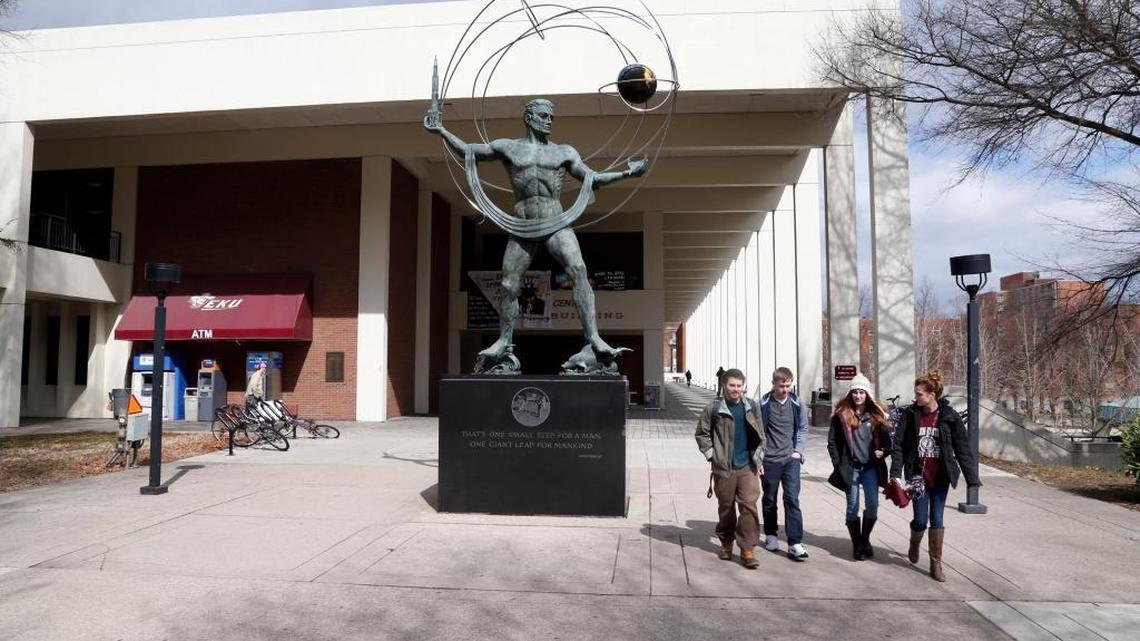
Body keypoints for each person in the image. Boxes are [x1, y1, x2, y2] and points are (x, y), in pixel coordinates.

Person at [425, 98, 646, 371]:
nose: (549, 120)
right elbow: (470, 152)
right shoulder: (508, 147)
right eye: (544, 115)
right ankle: (504, 340)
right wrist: (442, 132)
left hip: (556, 221)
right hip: (522, 225)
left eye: (552, 116)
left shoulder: (564, 152)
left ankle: (594, 338)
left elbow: (593, 178)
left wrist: (627, 173)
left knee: (578, 268)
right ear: (529, 118)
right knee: (508, 284)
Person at [890, 369, 982, 582]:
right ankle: (914, 541)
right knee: (921, 520)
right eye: (916, 393)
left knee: (937, 518)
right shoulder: (910, 414)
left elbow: (962, 448)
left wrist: (972, 478)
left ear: (932, 394)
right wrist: (895, 474)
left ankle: (935, 563)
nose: (916, 397)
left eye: (920, 393)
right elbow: (899, 447)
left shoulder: (949, 416)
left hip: (941, 477)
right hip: (918, 478)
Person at [695, 368, 766, 569]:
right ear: (724, 386)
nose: (736, 389)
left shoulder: (752, 406)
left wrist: (758, 459)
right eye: (732, 385)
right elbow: (701, 434)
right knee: (726, 507)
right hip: (724, 468)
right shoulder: (714, 408)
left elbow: (761, 434)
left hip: (747, 467)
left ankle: (747, 549)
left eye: (739, 386)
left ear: (743, 387)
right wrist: (712, 456)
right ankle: (726, 542)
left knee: (749, 507)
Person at [827, 374, 892, 561]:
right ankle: (856, 544)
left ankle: (865, 539)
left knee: (872, 506)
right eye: (855, 392)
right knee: (852, 506)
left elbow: (889, 442)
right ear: (850, 394)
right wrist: (838, 464)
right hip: (851, 468)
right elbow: (832, 443)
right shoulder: (841, 415)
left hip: (870, 467)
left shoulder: (877, 416)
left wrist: (883, 452)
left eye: (861, 392)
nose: (858, 396)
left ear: (867, 394)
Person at [758, 366, 810, 560]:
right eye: (782, 386)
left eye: (788, 385)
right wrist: (758, 459)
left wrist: (798, 450)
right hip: (770, 460)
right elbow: (757, 433)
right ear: (773, 384)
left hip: (791, 460)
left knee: (792, 499)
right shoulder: (762, 404)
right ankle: (771, 534)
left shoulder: (797, 404)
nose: (785, 389)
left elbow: (803, 428)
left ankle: (795, 542)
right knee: (770, 499)